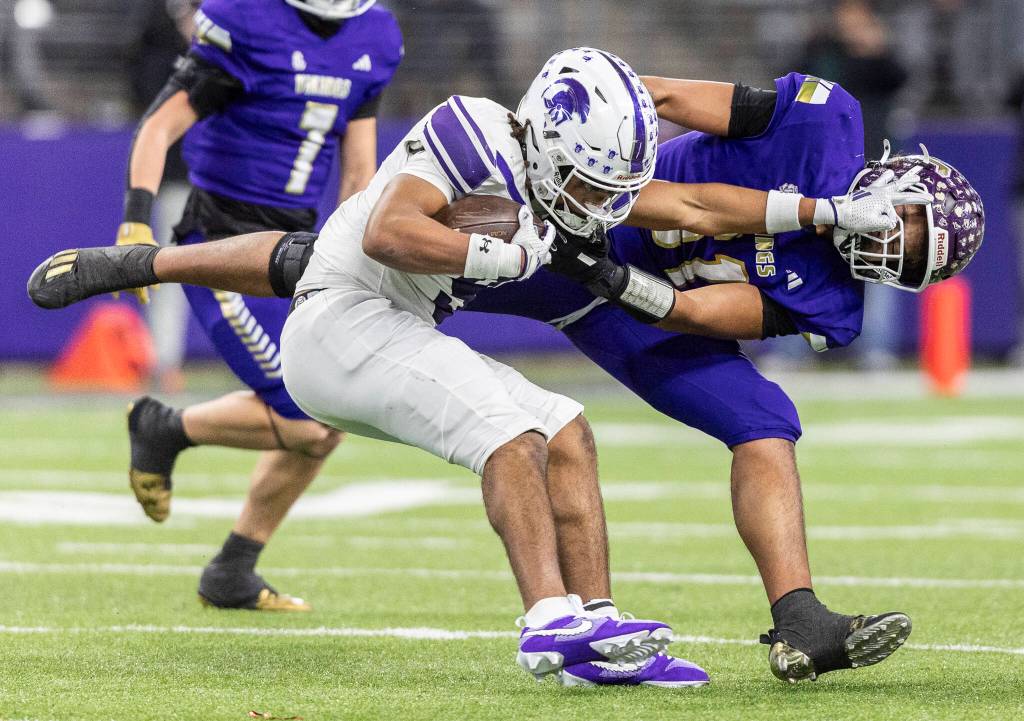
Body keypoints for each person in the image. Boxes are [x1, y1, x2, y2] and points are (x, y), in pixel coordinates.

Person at [28, 56, 914, 686]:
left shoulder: (569, 191)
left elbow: (683, 252)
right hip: (353, 324)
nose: (600, 203)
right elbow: (370, 238)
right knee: (510, 429)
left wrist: (795, 220)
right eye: (902, 227)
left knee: (567, 429)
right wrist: (486, 256)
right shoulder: (474, 132)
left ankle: (602, 631)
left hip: (440, 307)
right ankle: (547, 623)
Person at [111, 0, 403, 611]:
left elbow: (358, 175)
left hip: (297, 249)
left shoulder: (374, 33)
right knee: (306, 420)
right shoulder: (246, 19)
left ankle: (232, 569)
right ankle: (163, 430)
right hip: (218, 244)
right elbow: (160, 125)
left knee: (334, 413)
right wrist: (137, 220)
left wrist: (358, 263)